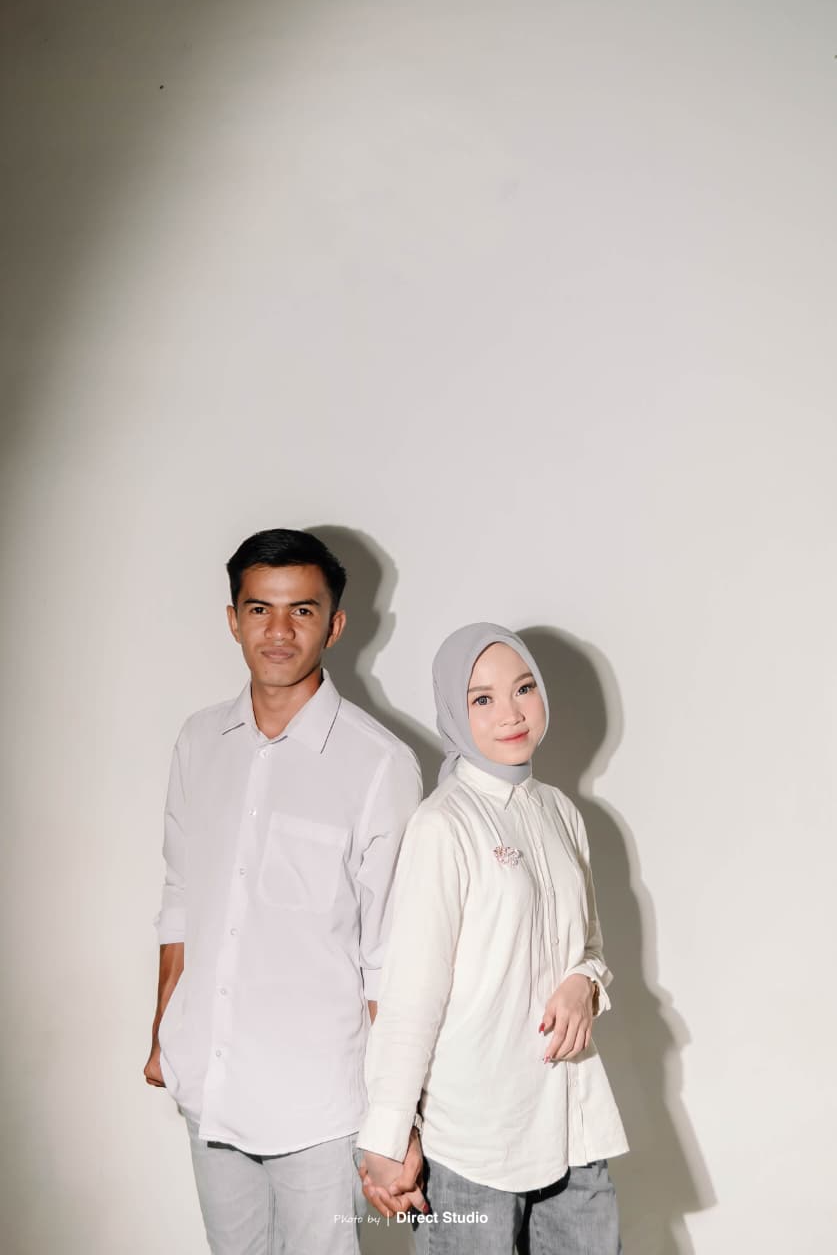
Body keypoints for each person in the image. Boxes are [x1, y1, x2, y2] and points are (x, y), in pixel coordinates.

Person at [143, 528, 423, 1255]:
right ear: (232, 619)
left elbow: (389, 956)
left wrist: (399, 1115)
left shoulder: (379, 764)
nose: (278, 630)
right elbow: (180, 897)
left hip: (318, 1102)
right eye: (259, 609)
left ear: (335, 624)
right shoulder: (198, 742)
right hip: (210, 1081)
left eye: (301, 610)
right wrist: (163, 1032)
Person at [356, 623, 629, 1252]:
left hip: (572, 1123)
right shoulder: (443, 825)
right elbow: (411, 996)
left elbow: (589, 946)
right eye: (482, 698)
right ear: (454, 710)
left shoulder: (562, 813)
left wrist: (585, 983)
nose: (511, 713)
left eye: (524, 688)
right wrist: (387, 1137)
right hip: (473, 1143)